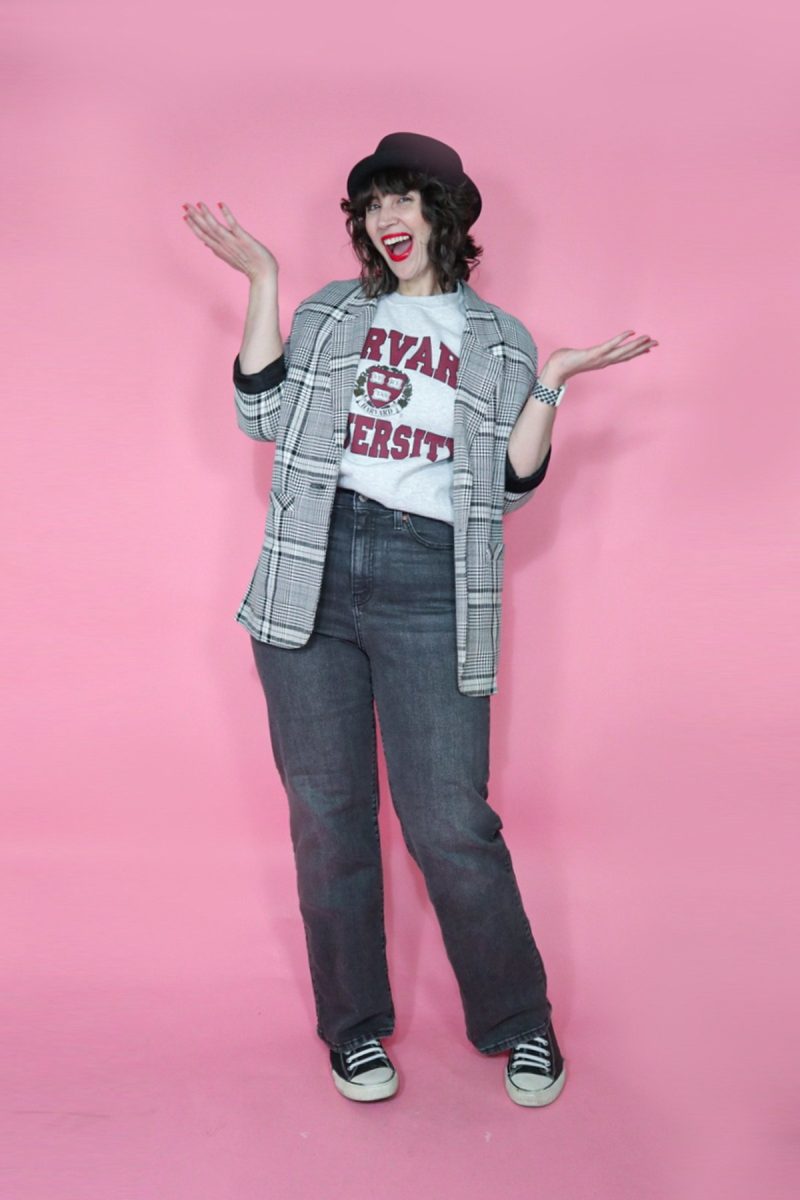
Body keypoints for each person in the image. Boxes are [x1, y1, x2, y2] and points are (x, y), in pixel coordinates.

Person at [182, 132, 657, 1107]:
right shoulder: (327, 313)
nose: (385, 218)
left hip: (426, 575)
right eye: (371, 204)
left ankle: (519, 1022)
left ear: (445, 213)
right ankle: (353, 1028)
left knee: (448, 820)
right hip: (308, 568)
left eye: (404, 199)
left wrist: (552, 379)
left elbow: (512, 488)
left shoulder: (496, 340)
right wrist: (264, 280)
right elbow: (260, 418)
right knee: (329, 821)